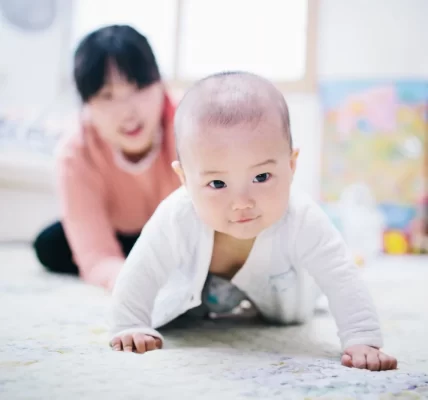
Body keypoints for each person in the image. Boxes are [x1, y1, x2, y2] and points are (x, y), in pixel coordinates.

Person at [109, 71, 397, 371]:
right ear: (184, 179)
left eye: (261, 177)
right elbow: (141, 267)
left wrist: (361, 338)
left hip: (288, 300)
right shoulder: (176, 216)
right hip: (195, 308)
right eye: (218, 183)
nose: (242, 202)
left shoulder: (302, 218)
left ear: (291, 165)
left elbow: (340, 274)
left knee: (320, 284)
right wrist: (131, 323)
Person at [33, 25, 180, 291]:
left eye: (139, 88)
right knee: (50, 244)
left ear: (161, 84)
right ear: (87, 104)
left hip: (179, 233)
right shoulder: (75, 152)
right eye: (107, 95)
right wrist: (134, 284)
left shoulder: (190, 124)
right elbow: (97, 255)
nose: (128, 112)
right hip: (120, 233)